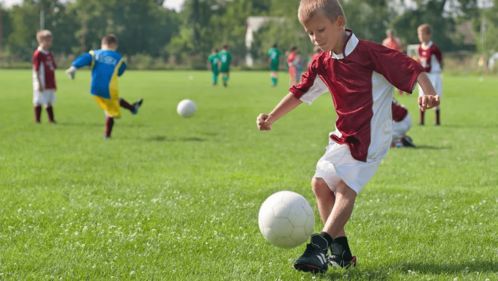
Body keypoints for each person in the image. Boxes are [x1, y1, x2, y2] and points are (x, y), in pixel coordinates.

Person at [256, 0, 439, 274]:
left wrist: (427, 92)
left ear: (339, 23)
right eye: (309, 33)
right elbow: (299, 92)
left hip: (370, 138)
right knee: (319, 184)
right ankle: (341, 253)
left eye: (320, 30)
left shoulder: (370, 53)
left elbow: (412, 68)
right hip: (343, 134)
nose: (315, 38)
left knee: (344, 188)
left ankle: (319, 246)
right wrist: (271, 116)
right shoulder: (323, 62)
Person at [65, 34, 143, 139]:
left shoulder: (95, 54)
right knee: (110, 113)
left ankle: (133, 108)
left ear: (102, 44)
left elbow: (85, 58)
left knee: (112, 103)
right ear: (114, 45)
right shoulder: (118, 57)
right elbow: (122, 69)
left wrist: (74, 67)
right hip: (109, 88)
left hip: (95, 88)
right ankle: (107, 136)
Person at [417, 23, 443, 126]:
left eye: (421, 33)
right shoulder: (419, 48)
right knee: (422, 95)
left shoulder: (434, 48)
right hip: (424, 75)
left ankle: (437, 120)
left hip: (434, 75)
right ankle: (421, 120)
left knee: (435, 96)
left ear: (428, 35)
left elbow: (440, 60)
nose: (420, 36)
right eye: (418, 34)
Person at [32, 30, 57, 124]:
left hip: (50, 80)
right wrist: (39, 83)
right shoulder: (38, 54)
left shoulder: (49, 53)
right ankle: (37, 120)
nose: (50, 42)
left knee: (49, 100)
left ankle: (51, 119)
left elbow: (53, 67)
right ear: (41, 40)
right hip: (42, 81)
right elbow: (36, 69)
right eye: (48, 40)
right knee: (39, 100)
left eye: (50, 40)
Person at [382, 29, 405, 95]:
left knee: (399, 75)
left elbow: (401, 49)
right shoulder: (385, 42)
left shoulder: (397, 41)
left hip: (397, 61)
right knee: (390, 76)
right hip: (388, 62)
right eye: (390, 34)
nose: (391, 35)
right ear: (388, 35)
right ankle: (389, 90)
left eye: (392, 34)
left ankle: (401, 89)